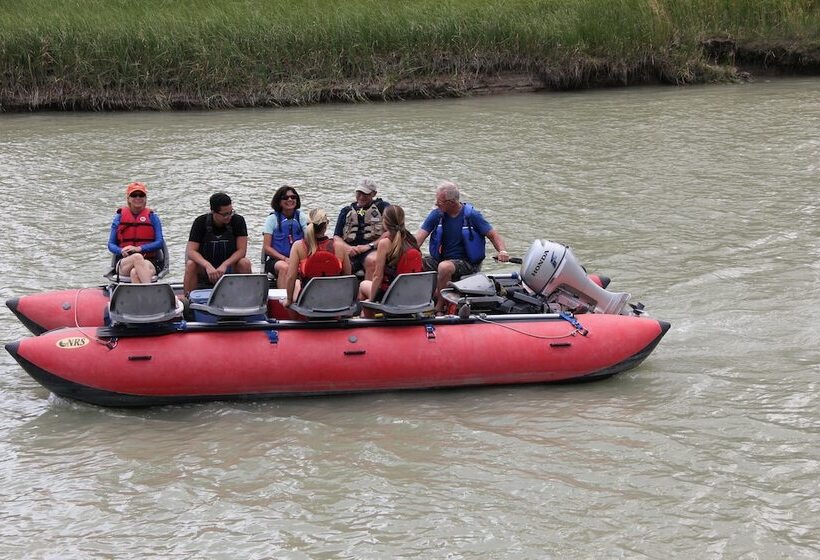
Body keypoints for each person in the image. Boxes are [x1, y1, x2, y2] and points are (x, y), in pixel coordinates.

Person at [415, 181, 509, 312]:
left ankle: (440, 308)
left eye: (439, 202)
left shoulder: (472, 216)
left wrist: (502, 251)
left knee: (444, 267)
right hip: (443, 259)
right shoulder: (436, 215)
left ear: (451, 202)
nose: (436, 204)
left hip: (467, 263)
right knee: (416, 260)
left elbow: (493, 235)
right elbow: (418, 239)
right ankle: (420, 298)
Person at [183, 192, 252, 296]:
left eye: (231, 212)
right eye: (224, 214)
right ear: (213, 212)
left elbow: (242, 251)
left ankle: (247, 297)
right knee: (191, 264)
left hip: (229, 266)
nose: (228, 216)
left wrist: (225, 264)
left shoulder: (238, 221)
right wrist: (207, 265)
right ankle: (188, 299)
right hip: (206, 268)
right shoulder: (200, 222)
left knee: (245, 263)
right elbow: (191, 251)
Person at [358, 205, 423, 316]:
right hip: (412, 295)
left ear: (385, 222)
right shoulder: (411, 240)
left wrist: (371, 301)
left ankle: (368, 320)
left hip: (391, 296)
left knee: (363, 285)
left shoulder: (385, 243)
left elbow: (377, 276)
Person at [285, 209, 351, 306]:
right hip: (335, 300)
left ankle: (297, 319)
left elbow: (291, 277)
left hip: (308, 302)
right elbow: (347, 277)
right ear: (326, 225)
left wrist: (289, 300)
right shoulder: (339, 246)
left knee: (295, 288)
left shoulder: (298, 246)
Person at [107, 182, 165, 283]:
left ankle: (141, 298)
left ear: (145, 198)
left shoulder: (153, 217)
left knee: (135, 273)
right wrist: (121, 251)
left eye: (141, 195)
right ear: (128, 198)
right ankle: (153, 292)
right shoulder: (119, 218)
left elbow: (159, 242)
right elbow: (111, 244)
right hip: (124, 263)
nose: (138, 198)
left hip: (149, 261)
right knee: (137, 257)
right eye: (134, 195)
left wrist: (139, 248)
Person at [333, 177, 390, 279]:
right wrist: (348, 248)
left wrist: (368, 246)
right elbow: (337, 237)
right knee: (335, 261)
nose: (361, 197)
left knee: (373, 261)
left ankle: (366, 292)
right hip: (349, 250)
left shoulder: (383, 208)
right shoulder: (346, 211)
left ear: (374, 194)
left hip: (371, 249)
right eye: (359, 193)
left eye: (365, 194)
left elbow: (390, 232)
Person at [262, 185, 308, 288]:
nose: (290, 199)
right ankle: (282, 299)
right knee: (285, 267)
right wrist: (284, 258)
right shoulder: (272, 219)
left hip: (299, 258)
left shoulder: (302, 217)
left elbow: (309, 239)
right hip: (277, 260)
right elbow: (267, 247)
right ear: (279, 201)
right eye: (285, 198)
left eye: (293, 197)